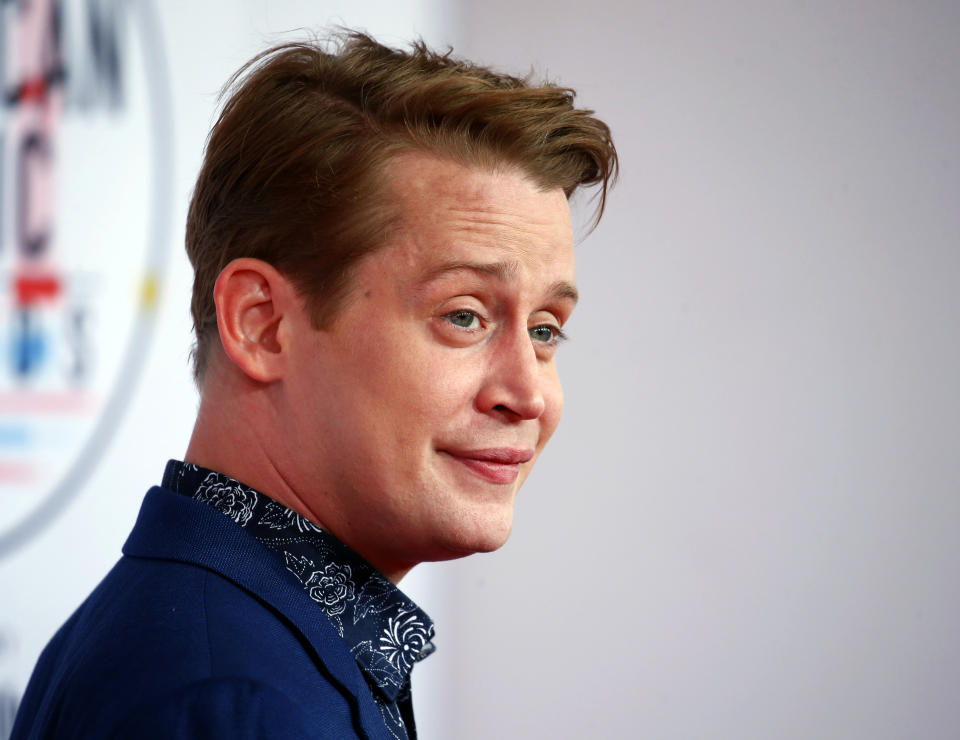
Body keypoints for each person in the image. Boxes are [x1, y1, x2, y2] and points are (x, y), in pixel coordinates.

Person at [11, 30, 617, 739]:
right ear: (262, 325)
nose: (530, 394)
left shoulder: (235, 646)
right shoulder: (233, 702)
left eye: (545, 329)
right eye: (465, 316)